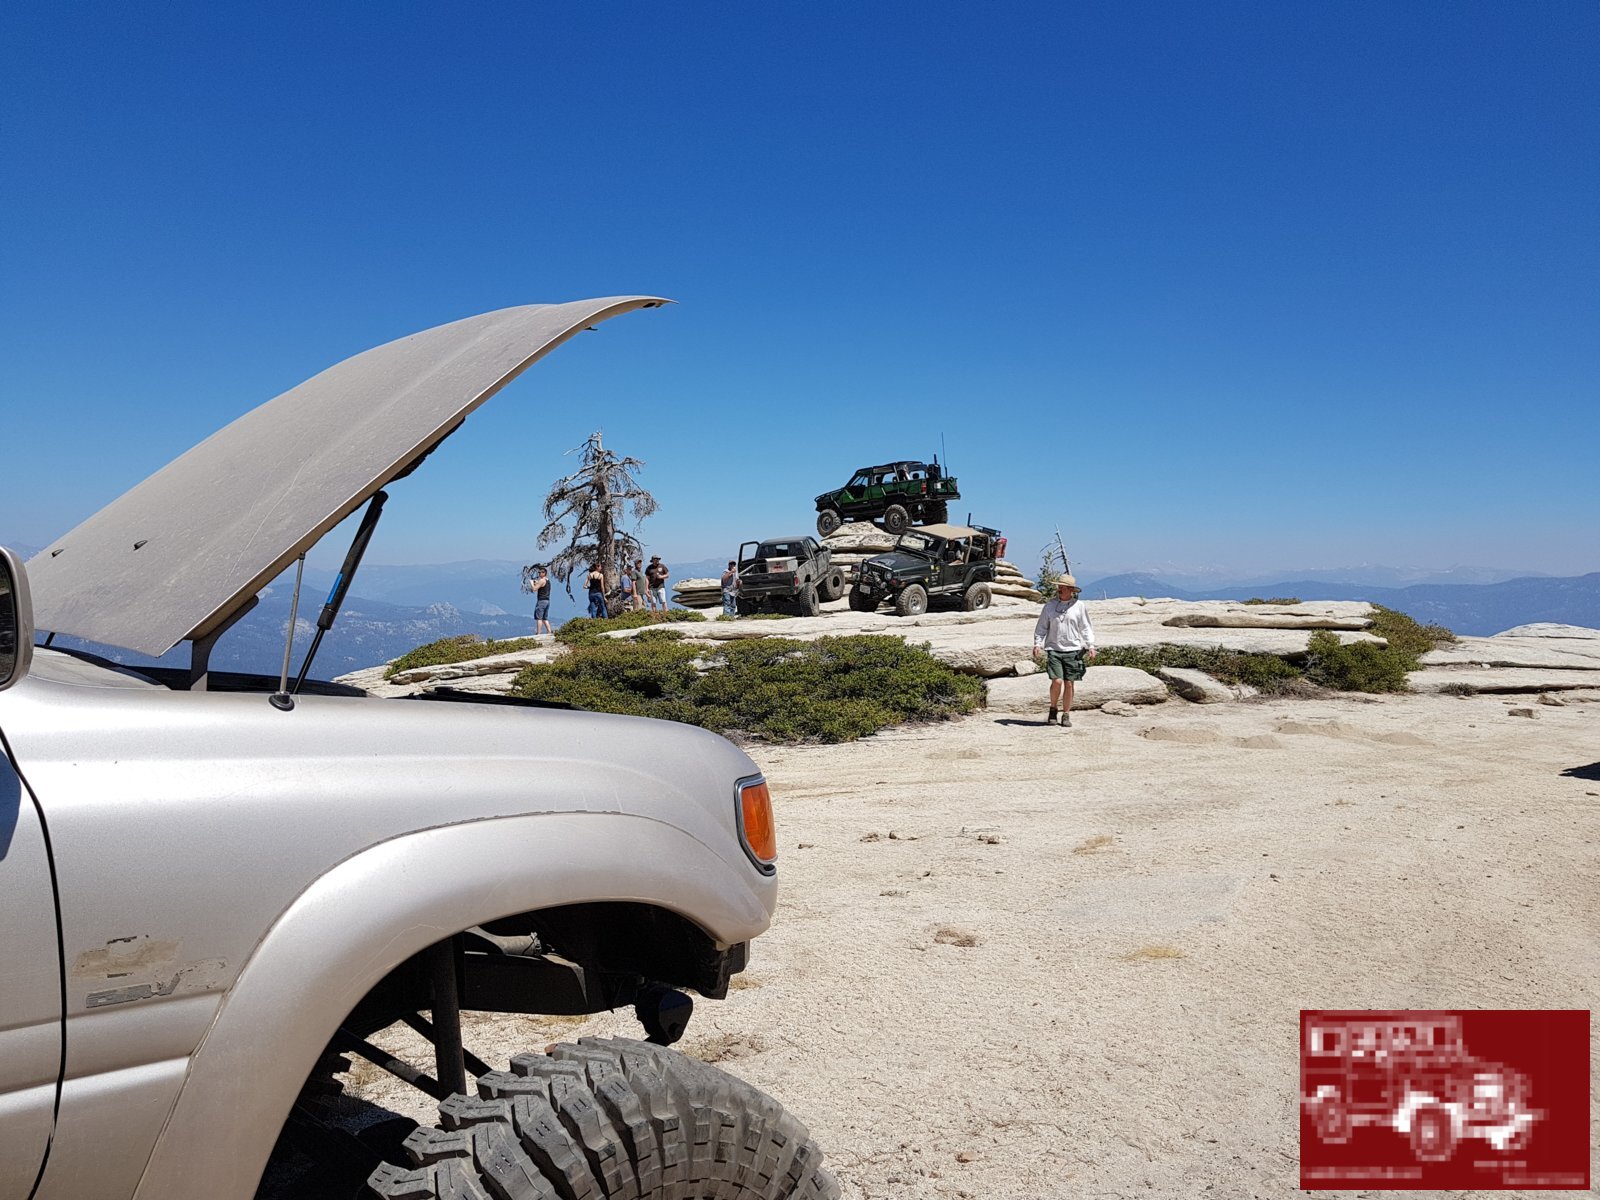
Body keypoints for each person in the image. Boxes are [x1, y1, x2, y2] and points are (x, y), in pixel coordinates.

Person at [1032, 575, 1096, 727]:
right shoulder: (1049, 606)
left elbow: (1085, 627)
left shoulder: (1079, 606)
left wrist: (1091, 645)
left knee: (1069, 683)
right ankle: (1053, 709)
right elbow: (1041, 627)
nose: (1059, 589)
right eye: (1059, 586)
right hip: (1054, 649)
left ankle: (1066, 714)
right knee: (1057, 681)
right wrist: (1037, 644)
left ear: (1071, 590)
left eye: (1063, 587)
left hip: (1073, 650)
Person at [530, 564, 552, 635]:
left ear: (544, 573)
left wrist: (532, 583)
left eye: (540, 572)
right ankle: (549, 632)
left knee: (539, 618)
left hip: (541, 601)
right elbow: (542, 586)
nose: (539, 574)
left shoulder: (542, 580)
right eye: (539, 572)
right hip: (547, 600)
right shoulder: (547, 580)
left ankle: (539, 633)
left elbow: (534, 589)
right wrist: (537, 583)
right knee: (545, 618)